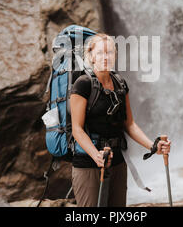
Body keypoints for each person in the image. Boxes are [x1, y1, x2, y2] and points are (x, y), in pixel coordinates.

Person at [70, 33, 171, 207]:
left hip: (117, 161)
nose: (105, 57)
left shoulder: (120, 83)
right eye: (100, 52)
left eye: (109, 52)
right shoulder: (83, 84)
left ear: (115, 55)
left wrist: (153, 147)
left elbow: (129, 124)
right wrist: (97, 156)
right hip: (89, 164)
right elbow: (76, 129)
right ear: (91, 56)